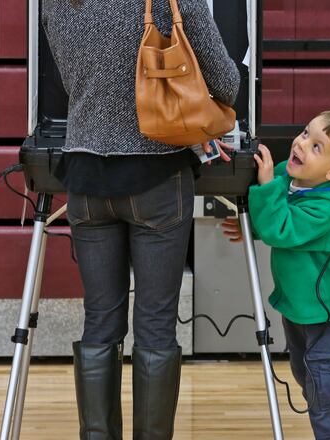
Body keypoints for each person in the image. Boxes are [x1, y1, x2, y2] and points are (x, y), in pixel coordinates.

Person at [41, 0, 240, 438]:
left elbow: (69, 85)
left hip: (86, 180)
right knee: (154, 326)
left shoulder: (56, 3)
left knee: (100, 322)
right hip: (156, 178)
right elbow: (227, 83)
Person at [222, 110, 330, 440]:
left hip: (324, 309)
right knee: (303, 371)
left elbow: (284, 228)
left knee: (322, 382)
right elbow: (282, 222)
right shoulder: (300, 181)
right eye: (306, 133)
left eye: (317, 146)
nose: (302, 144)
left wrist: (266, 194)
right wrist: (256, 227)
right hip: (298, 303)